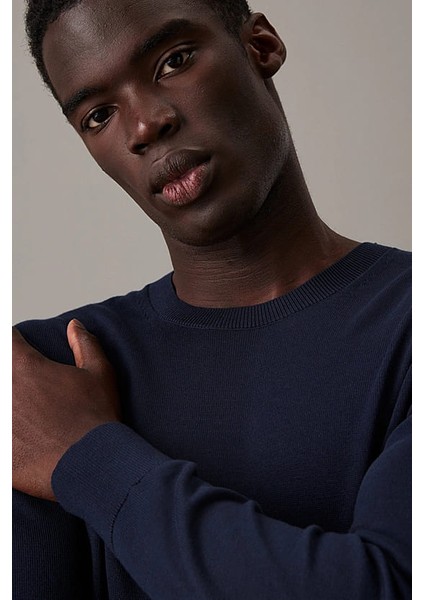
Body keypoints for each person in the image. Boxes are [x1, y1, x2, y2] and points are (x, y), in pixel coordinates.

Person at [12, 0, 411, 598]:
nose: (144, 127)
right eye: (98, 115)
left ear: (261, 46)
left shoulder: (407, 322)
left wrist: (85, 459)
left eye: (173, 62)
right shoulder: (44, 375)